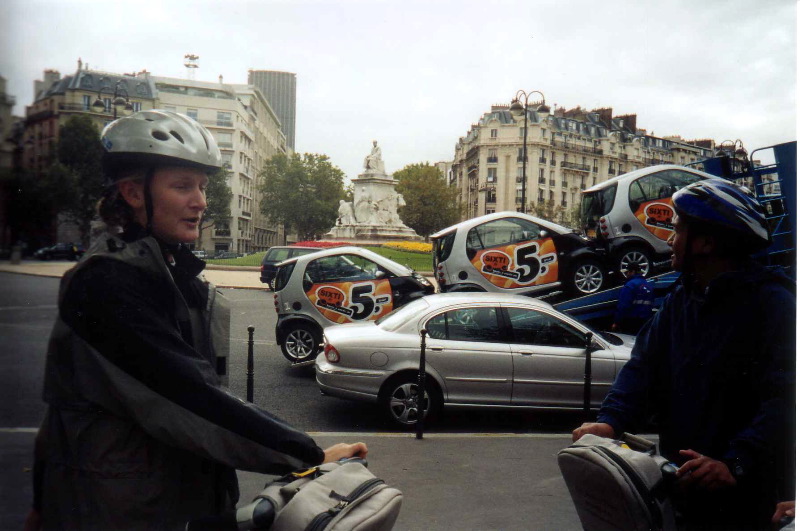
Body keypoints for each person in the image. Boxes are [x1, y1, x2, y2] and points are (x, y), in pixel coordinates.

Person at [27, 110, 367, 530]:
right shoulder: (105, 285)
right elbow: (186, 396)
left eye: (203, 187)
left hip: (172, 502)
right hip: (118, 511)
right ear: (134, 193)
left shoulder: (172, 277)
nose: (201, 202)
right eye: (182, 186)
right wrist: (307, 453)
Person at [573, 180, 795, 530]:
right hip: (684, 489)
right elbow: (643, 367)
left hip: (745, 497)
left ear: (706, 242)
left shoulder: (773, 305)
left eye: (676, 231)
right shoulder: (681, 299)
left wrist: (735, 462)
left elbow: (785, 401)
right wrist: (611, 421)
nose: (668, 241)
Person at [611, 261, 654, 335]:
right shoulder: (648, 286)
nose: (627, 274)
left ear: (633, 272)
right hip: (645, 321)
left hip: (631, 322)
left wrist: (616, 322)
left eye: (628, 272)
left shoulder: (630, 285)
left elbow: (623, 306)